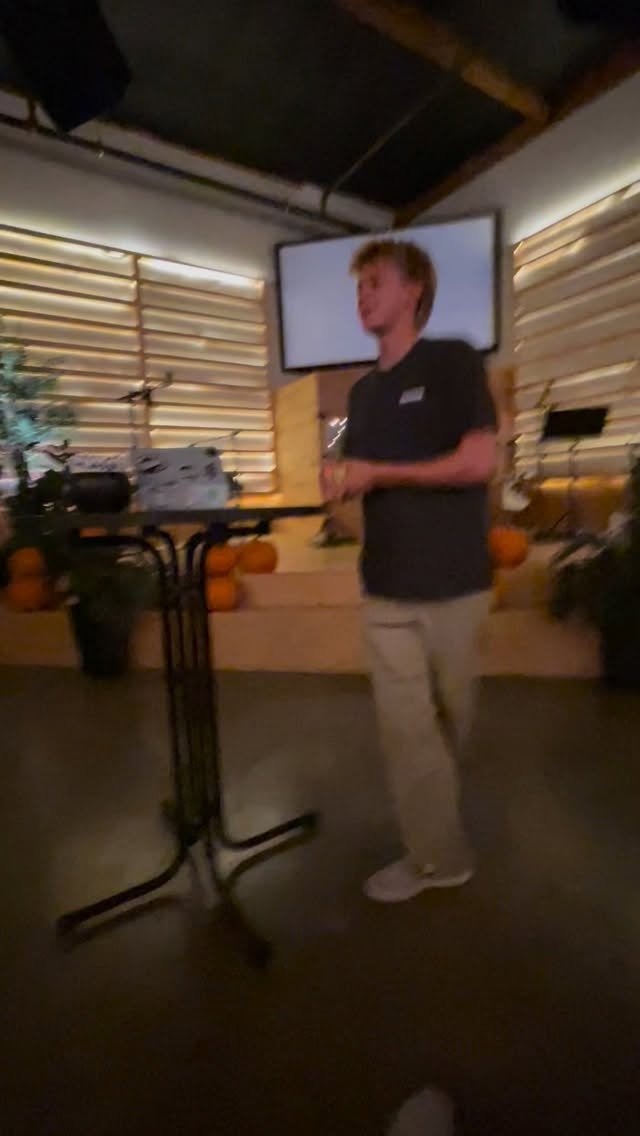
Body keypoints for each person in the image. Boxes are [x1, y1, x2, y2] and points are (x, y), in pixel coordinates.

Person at [323, 239, 497, 904]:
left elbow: (479, 462)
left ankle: (439, 830)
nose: (362, 295)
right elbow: (353, 483)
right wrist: (340, 487)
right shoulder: (363, 393)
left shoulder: (453, 360)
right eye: (358, 286)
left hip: (457, 584)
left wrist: (378, 473)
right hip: (386, 588)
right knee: (408, 735)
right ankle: (438, 859)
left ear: (414, 289)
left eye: (375, 281)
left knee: (451, 728)